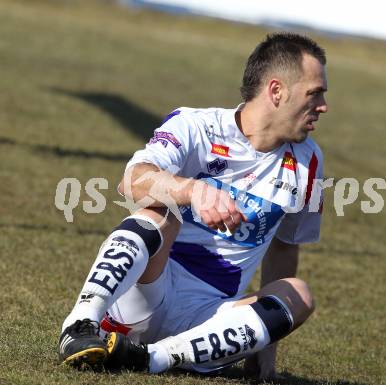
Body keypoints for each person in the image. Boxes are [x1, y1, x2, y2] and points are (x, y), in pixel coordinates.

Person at [58, 32, 328, 379]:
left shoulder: (310, 163)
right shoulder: (195, 125)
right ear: (277, 91)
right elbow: (132, 181)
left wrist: (268, 341)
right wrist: (194, 190)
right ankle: (80, 325)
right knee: (160, 213)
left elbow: (284, 247)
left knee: (299, 294)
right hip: (146, 293)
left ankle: (151, 359)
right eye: (314, 93)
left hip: (209, 323)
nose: (323, 106)